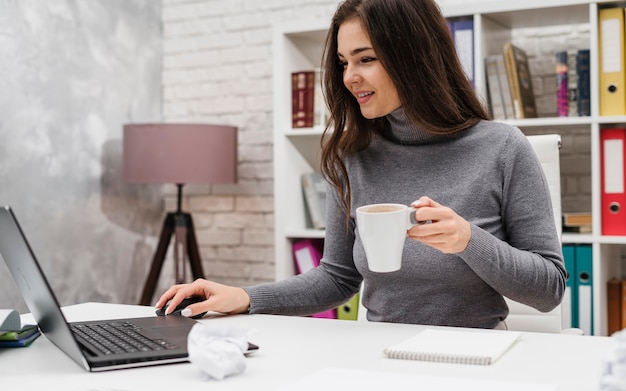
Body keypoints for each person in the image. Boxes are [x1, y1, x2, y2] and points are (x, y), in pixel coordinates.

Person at [156, 0, 566, 329]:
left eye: (365, 58)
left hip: (473, 360)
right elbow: (336, 279)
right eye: (343, 62)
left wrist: (468, 240)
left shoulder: (502, 148)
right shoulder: (352, 155)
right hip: (376, 357)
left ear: (414, 57)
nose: (349, 76)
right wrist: (244, 297)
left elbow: (549, 290)